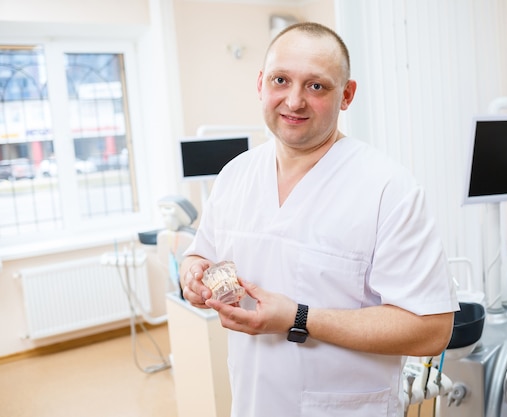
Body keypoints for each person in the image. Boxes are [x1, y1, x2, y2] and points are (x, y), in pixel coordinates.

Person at [180, 21, 458, 417]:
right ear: (261, 84)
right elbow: (199, 255)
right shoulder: (234, 175)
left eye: (316, 86)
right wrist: (192, 275)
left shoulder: (387, 189)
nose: (294, 101)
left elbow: (432, 331)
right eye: (281, 80)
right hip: (253, 404)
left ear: (346, 95)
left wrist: (298, 318)